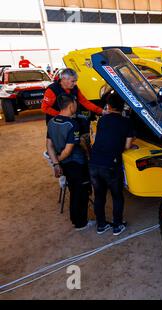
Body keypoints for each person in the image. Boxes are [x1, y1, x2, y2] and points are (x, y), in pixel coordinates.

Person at [89, 93, 135, 236]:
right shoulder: (126, 122)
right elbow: (127, 145)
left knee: (99, 195)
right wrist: (131, 143)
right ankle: (117, 225)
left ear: (108, 106)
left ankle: (101, 225)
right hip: (111, 164)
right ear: (124, 107)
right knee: (116, 195)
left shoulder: (102, 120)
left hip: (94, 163)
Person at [46, 94, 93, 231]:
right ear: (71, 105)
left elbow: (49, 145)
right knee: (81, 193)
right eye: (75, 103)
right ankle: (81, 223)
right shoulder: (72, 124)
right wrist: (59, 160)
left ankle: (75, 219)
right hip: (76, 164)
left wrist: (56, 163)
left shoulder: (52, 122)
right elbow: (68, 150)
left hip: (65, 165)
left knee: (73, 191)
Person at [41, 68, 106, 131]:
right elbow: (45, 108)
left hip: (71, 119)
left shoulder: (74, 88)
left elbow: (85, 102)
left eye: (76, 81)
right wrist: (63, 115)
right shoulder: (52, 90)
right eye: (73, 81)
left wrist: (101, 111)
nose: (75, 83)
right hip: (56, 122)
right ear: (63, 79)